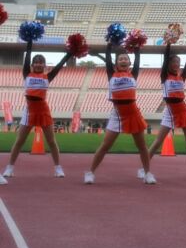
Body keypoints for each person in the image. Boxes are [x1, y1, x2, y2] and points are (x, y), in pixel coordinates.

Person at [84, 42, 155, 185]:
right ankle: (90, 172)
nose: (123, 60)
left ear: (129, 63)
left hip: (133, 113)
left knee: (142, 146)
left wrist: (137, 48)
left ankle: (147, 173)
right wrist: (109, 46)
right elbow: (108, 57)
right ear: (116, 63)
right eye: (120, 59)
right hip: (117, 113)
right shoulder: (112, 74)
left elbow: (137, 58)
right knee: (105, 145)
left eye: (126, 59)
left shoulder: (133, 74)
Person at [2, 39, 73, 182]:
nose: (39, 64)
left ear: (45, 65)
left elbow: (59, 66)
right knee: (20, 141)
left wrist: (68, 54)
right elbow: (27, 55)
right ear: (32, 64)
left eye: (41, 62)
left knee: (51, 141)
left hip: (43, 111)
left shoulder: (48, 77)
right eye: (36, 62)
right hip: (29, 111)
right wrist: (29, 42)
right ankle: (10, 167)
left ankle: (58, 167)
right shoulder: (27, 74)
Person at [136, 42, 186, 180]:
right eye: (174, 62)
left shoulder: (182, 76)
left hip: (183, 110)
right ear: (168, 64)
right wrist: (168, 43)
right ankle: (143, 169)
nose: (177, 64)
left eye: (178, 62)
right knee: (158, 142)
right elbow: (166, 56)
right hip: (170, 111)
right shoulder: (164, 76)